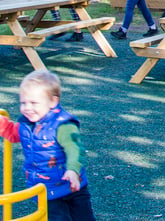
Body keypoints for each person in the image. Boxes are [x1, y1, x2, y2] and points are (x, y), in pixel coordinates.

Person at [0, 70, 97, 221]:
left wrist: (72, 170)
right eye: (23, 103)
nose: (27, 108)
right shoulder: (26, 123)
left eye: (34, 103)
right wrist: (2, 124)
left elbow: (74, 149)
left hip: (73, 185)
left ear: (52, 101)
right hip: (47, 189)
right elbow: (13, 133)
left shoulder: (62, 125)